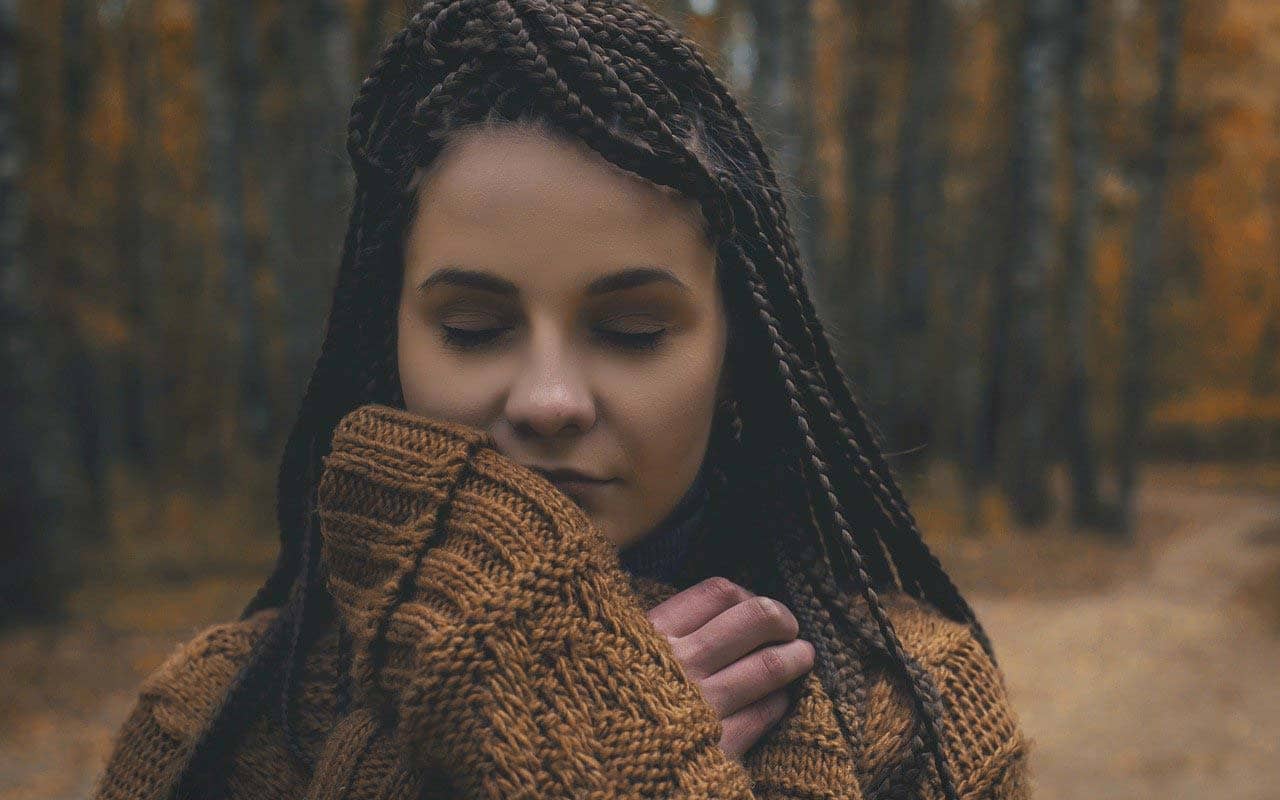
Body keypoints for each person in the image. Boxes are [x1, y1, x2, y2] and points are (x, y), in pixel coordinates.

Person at [93, 1, 1030, 798]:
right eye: (472, 327)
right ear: (392, 341)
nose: (549, 400)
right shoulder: (212, 723)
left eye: (632, 331)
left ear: (734, 350)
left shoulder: (918, 713)